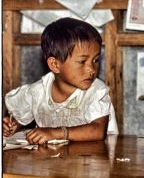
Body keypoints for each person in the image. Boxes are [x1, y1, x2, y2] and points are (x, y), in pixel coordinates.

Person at [3, 17, 118, 145]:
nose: (91, 69)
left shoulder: (96, 91)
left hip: (90, 160)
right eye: (82, 62)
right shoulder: (37, 92)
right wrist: (13, 125)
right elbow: (17, 114)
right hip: (50, 160)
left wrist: (56, 133)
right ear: (55, 65)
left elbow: (98, 131)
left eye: (95, 60)